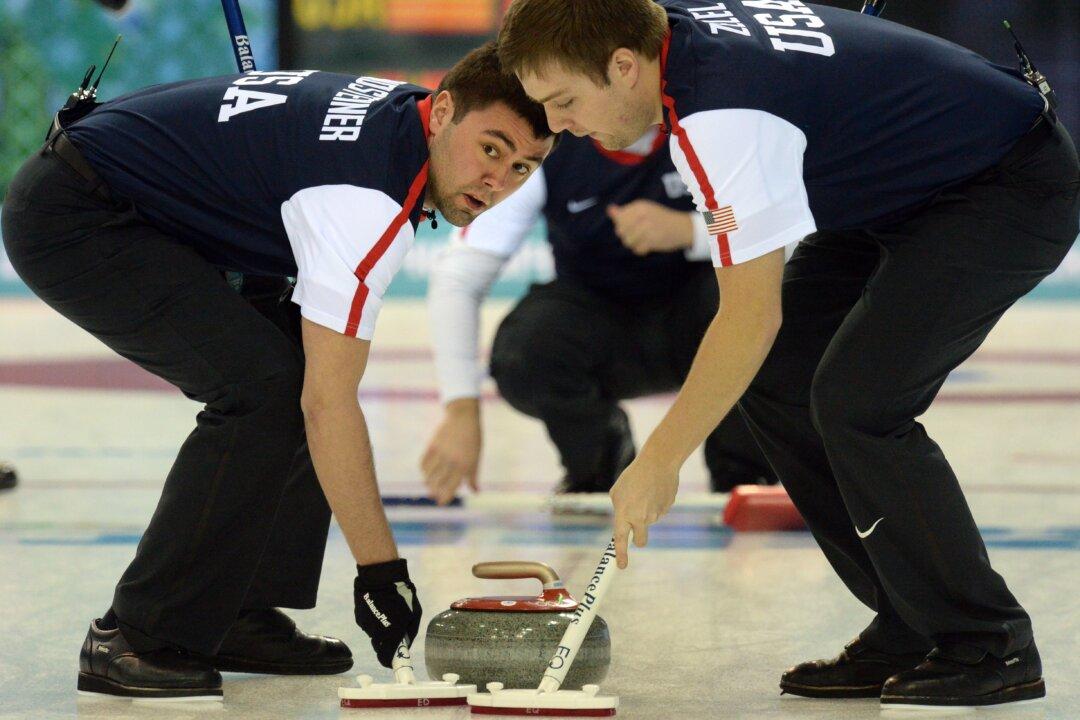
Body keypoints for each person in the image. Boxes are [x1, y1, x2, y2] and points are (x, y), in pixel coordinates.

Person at [497, 0, 1079, 710]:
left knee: (860, 403)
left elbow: (748, 316)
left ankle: (989, 640)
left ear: (624, 67)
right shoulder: (658, 32)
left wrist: (658, 462)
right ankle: (909, 622)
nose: (559, 126)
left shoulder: (718, 115)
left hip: (1001, 185)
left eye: (564, 102)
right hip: (898, 188)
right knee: (781, 379)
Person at [1, 42, 553, 700]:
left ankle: (235, 610)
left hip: (150, 207)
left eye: (523, 166)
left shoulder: (402, 115)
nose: (499, 183)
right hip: (79, 216)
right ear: (445, 113)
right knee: (262, 390)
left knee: (286, 367)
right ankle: (138, 636)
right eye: (491, 149)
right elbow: (329, 405)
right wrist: (382, 571)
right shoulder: (366, 199)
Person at [421, 126, 776, 503]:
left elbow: (774, 226)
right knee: (524, 352)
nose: (561, 116)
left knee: (758, 299)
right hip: (600, 324)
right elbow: (459, 276)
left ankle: (745, 470)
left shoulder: (711, 125)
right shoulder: (548, 147)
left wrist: (690, 230)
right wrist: (460, 408)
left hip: (704, 321)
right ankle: (601, 459)